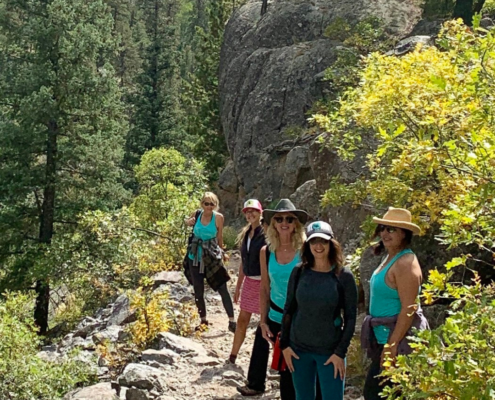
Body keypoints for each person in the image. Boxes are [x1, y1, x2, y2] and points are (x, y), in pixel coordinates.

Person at [237, 199, 309, 398]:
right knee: (274, 355)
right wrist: (262, 321)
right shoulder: (266, 252)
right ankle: (256, 383)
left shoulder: (306, 251)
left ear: (296, 224)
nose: (284, 222)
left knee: (292, 368)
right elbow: (265, 288)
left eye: (289, 219)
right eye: (279, 219)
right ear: (273, 224)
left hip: (299, 317)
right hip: (275, 314)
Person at [280, 221, 358, 400]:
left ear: (331, 243)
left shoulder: (343, 276)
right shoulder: (299, 272)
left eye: (323, 241)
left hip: (330, 353)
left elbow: (351, 318)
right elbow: (289, 309)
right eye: (314, 241)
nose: (318, 246)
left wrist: (340, 353)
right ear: (307, 245)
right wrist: (284, 345)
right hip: (298, 350)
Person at [361, 207, 429, 400]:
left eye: (391, 230)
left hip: (401, 345)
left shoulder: (406, 262)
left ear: (404, 234)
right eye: (383, 228)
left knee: (381, 394)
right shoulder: (389, 258)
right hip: (385, 341)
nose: (384, 233)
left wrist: (392, 346)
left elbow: (409, 308)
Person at [185, 192, 236, 332]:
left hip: (212, 256)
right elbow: (188, 222)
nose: (209, 206)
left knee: (222, 287)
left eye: (212, 204)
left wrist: (222, 252)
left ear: (216, 205)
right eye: (206, 203)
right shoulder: (197, 214)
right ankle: (203, 321)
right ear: (202, 204)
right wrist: (187, 222)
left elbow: (219, 237)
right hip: (195, 256)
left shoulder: (218, 218)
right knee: (198, 289)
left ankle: (232, 321)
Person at [228, 199, 266, 364]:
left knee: (265, 322)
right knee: (243, 319)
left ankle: (272, 361)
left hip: (265, 282)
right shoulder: (246, 234)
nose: (250, 214)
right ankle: (233, 355)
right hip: (250, 281)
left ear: (260, 212)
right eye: (247, 212)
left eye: (253, 211)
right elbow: (244, 261)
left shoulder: (266, 233)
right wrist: (238, 287)